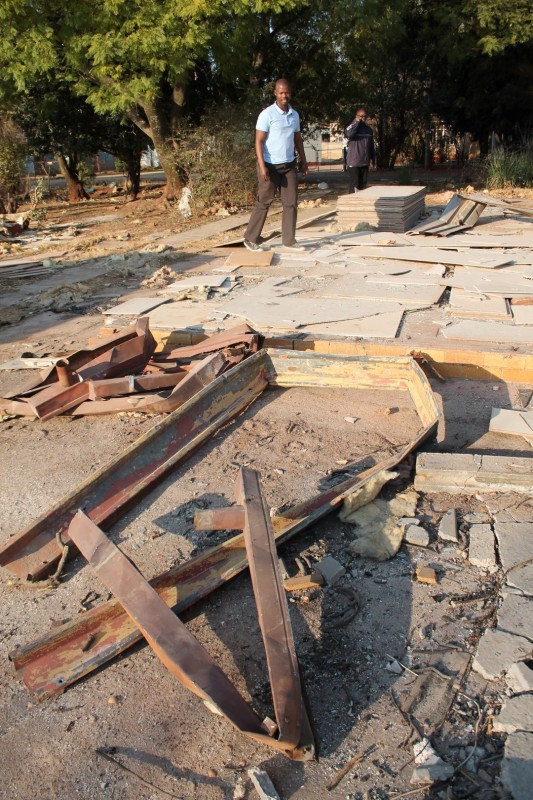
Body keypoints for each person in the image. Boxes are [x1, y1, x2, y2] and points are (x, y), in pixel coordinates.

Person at [244, 79, 308, 252]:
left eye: (286, 92)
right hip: (270, 166)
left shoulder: (294, 115)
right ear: (275, 93)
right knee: (264, 202)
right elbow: (258, 141)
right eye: (281, 93)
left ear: (290, 93)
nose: (284, 96)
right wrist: (262, 166)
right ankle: (250, 238)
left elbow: (298, 139)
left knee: (291, 202)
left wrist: (303, 160)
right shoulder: (267, 114)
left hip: (289, 166)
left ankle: (289, 240)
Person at [344, 108, 376, 192]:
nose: (363, 118)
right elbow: (349, 134)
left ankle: (360, 199)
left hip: (364, 162)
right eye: (361, 116)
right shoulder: (352, 127)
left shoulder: (368, 130)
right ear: (356, 116)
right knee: (355, 182)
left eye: (364, 116)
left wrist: (373, 159)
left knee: (362, 184)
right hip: (354, 162)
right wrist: (357, 123)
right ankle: (351, 199)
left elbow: (371, 145)